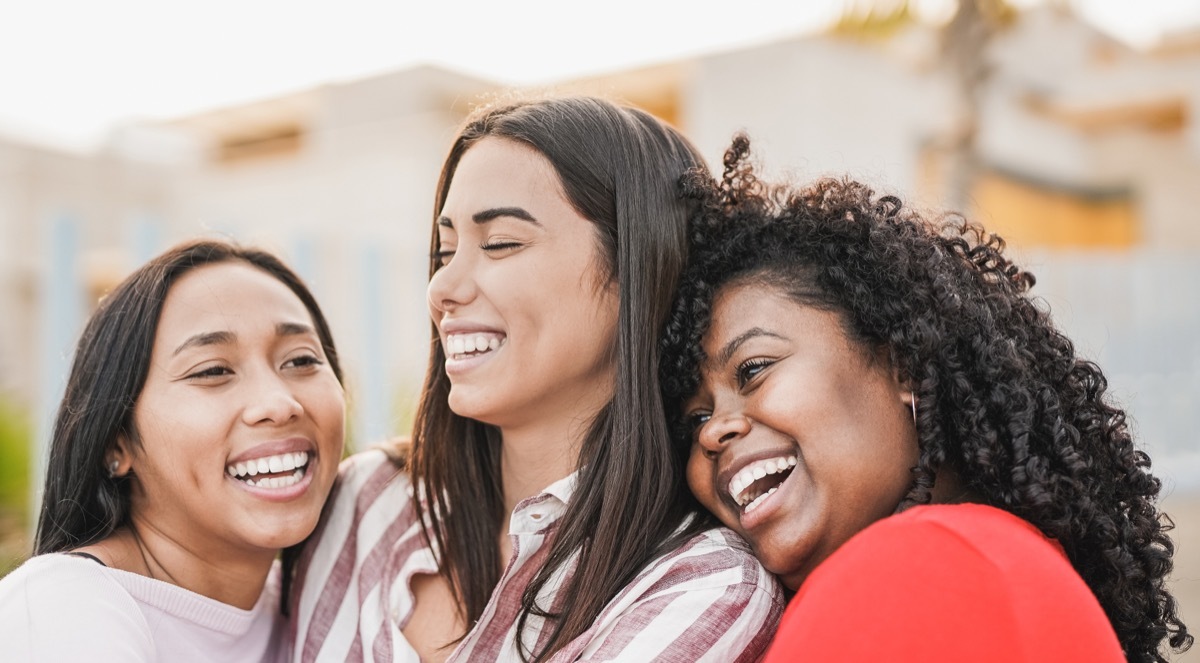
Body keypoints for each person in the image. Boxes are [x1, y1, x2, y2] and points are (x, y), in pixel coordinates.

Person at [661, 135, 1193, 663]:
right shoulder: (993, 557)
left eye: (753, 370)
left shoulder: (925, 568)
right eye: (695, 420)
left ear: (905, 364)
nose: (712, 431)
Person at [290, 97, 783, 662]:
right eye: (445, 250)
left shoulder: (700, 587)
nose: (442, 288)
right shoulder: (365, 498)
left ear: (637, 273)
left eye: (500, 244)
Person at [0, 240, 346, 661]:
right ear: (116, 442)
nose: (279, 403)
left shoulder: (334, 610)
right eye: (213, 370)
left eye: (301, 361)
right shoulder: (65, 609)